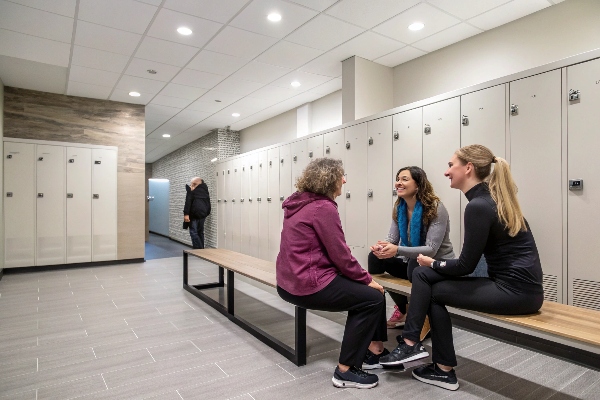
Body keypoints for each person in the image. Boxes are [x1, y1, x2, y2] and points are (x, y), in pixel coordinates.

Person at [379, 144, 544, 391]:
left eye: (450, 165)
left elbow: (466, 265)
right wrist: (433, 265)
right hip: (517, 287)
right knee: (424, 275)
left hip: (516, 292)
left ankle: (420, 349)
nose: (446, 172)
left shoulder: (478, 206)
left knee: (428, 281)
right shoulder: (488, 199)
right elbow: (468, 264)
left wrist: (434, 262)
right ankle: (432, 360)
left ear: (468, 168)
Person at [276, 158, 387, 389]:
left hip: (288, 282)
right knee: (373, 298)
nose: (345, 180)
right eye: (341, 175)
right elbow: (341, 255)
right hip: (308, 284)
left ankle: (373, 351)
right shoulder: (322, 208)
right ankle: (345, 371)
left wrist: (362, 279)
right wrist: (368, 280)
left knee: (367, 292)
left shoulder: (299, 203)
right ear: (329, 179)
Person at [368, 166, 454, 337]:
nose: (399, 183)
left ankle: (423, 317)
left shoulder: (435, 208)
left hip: (436, 264)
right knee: (375, 259)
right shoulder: (400, 207)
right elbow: (392, 240)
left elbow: (431, 249)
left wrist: (397, 249)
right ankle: (403, 309)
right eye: (398, 179)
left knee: (415, 264)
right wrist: (382, 248)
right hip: (412, 263)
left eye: (405, 179)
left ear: (418, 184)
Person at [183, 177, 211, 249]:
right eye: (191, 184)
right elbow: (208, 203)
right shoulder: (205, 191)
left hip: (193, 214)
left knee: (194, 232)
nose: (192, 186)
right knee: (200, 232)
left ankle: (198, 249)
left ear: (200, 184)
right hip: (202, 214)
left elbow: (188, 202)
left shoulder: (191, 192)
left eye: (194, 184)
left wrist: (186, 214)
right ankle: (201, 249)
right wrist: (206, 212)